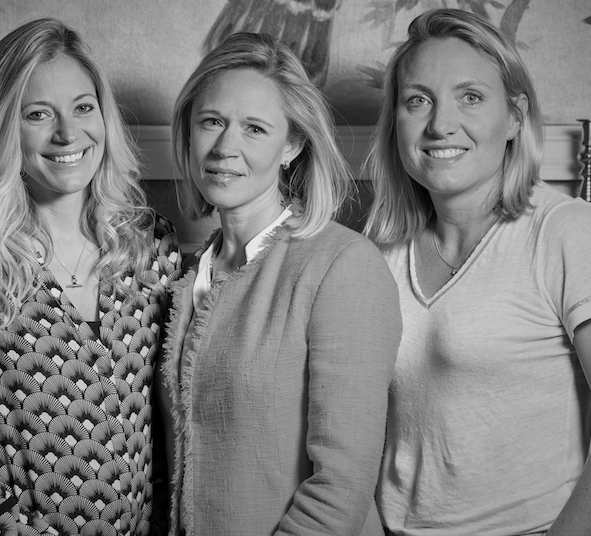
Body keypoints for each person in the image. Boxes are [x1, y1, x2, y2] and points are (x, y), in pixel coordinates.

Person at [0, 18, 181, 536]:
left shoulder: (152, 245)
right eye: (38, 114)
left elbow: (171, 418)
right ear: (4, 127)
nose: (67, 133)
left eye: (83, 108)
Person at [363, 8, 591, 535]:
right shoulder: (376, 255)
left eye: (470, 96)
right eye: (417, 100)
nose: (440, 124)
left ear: (515, 117)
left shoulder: (565, 232)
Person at [155, 31, 402, 536]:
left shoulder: (343, 265)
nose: (226, 147)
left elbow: (340, 488)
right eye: (212, 122)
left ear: (292, 144)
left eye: (254, 129)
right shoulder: (185, 274)